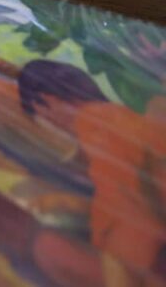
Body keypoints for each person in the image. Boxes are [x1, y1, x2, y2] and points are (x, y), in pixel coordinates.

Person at [19, 60, 166, 285]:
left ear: (44, 103)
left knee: (50, 248)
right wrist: (76, 204)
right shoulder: (112, 116)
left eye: (37, 118)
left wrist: (119, 276)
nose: (47, 127)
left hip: (147, 258)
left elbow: (130, 215)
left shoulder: (94, 123)